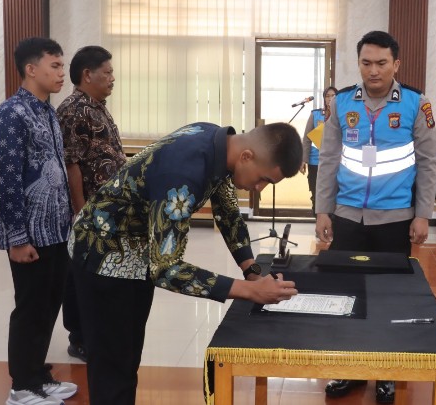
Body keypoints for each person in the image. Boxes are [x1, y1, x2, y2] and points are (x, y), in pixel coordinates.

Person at [70, 121, 302, 405]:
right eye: (264, 179)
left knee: (126, 360)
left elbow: (228, 213)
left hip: (136, 255)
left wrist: (252, 273)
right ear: (247, 156)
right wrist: (248, 290)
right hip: (102, 256)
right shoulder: (184, 172)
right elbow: (166, 269)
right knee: (112, 368)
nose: (259, 188)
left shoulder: (220, 146)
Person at [315, 31, 436, 404]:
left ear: (395, 64)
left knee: (390, 297)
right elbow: (329, 158)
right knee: (346, 296)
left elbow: (428, 161)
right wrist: (323, 209)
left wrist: (423, 215)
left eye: (381, 63)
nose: (373, 71)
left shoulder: (416, 103)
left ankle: (387, 372)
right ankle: (350, 370)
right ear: (359, 63)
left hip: (395, 219)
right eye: (366, 63)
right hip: (347, 216)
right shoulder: (342, 102)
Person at [0, 37, 78, 405]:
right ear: (30, 69)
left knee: (49, 304)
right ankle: (21, 386)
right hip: (30, 233)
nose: (61, 73)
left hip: (55, 229)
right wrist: (17, 238)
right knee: (30, 308)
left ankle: (38, 375)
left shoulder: (46, 112)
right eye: (54, 66)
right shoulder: (10, 115)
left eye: (61, 66)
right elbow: (6, 180)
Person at [56, 45, 124, 363]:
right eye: (107, 72)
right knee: (81, 276)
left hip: (106, 211)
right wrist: (81, 210)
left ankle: (96, 331)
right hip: (89, 212)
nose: (112, 78)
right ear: (87, 75)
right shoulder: (74, 110)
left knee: (99, 273)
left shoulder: (96, 106)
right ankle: (80, 338)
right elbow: (72, 164)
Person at [300, 86, 337, 215]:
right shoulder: (315, 115)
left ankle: (332, 221)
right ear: (324, 98)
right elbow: (306, 139)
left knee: (333, 194)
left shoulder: (342, 115)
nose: (330, 98)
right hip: (316, 161)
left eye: (333, 96)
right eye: (327, 96)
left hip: (334, 162)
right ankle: (318, 220)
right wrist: (304, 160)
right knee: (316, 193)